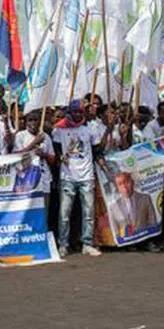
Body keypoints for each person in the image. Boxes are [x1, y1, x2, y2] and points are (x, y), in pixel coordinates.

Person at [52, 100, 104, 257]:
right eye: (74, 112)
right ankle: (63, 244)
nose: (77, 115)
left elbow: (96, 151)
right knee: (64, 213)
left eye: (80, 112)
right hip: (67, 176)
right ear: (69, 112)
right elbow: (56, 151)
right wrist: (61, 157)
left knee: (88, 212)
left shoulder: (90, 129)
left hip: (86, 176)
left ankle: (87, 244)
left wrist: (104, 167)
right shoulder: (59, 130)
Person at [13, 109, 54, 212]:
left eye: (35, 120)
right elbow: (16, 156)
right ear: (26, 122)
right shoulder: (21, 135)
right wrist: (34, 143)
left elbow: (52, 159)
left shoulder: (46, 137)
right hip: (27, 177)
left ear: (40, 121)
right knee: (26, 210)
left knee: (44, 209)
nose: (33, 123)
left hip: (43, 177)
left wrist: (43, 154)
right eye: (30, 120)